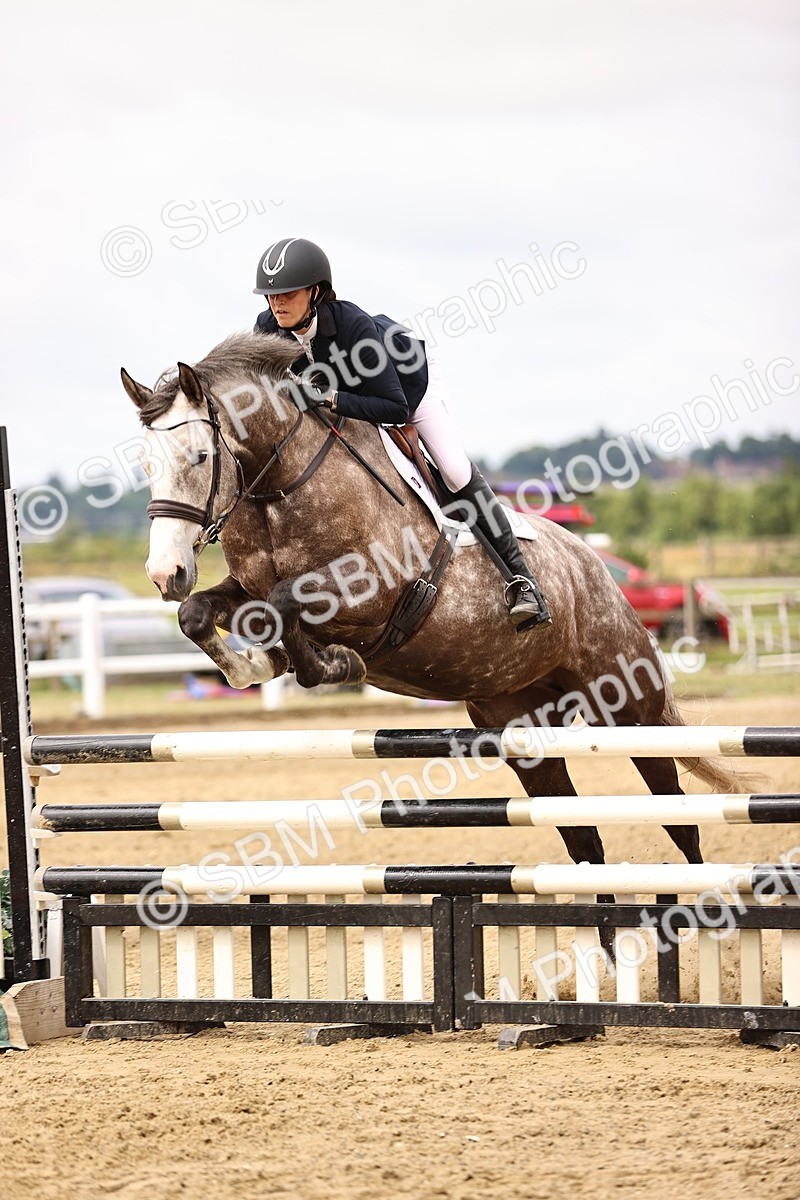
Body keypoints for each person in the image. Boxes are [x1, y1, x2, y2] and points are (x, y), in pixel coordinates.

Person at [253, 236, 551, 632]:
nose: (277, 304)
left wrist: (331, 399)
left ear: (316, 292)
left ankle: (524, 582)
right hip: (352, 395)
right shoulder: (266, 329)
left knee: (454, 470)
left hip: (409, 385)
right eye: (271, 295)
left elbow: (395, 409)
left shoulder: (353, 327)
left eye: (287, 293)